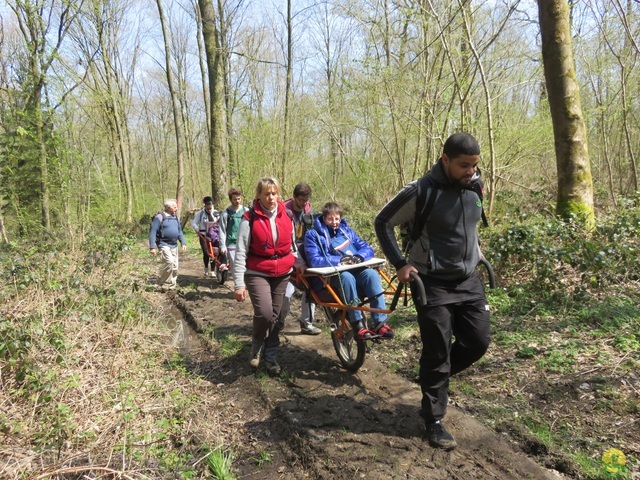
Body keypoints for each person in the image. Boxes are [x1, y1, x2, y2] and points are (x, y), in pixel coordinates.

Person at [374, 132, 491, 451]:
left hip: (467, 280)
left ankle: (431, 378)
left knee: (478, 342)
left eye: (475, 165)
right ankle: (434, 420)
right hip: (431, 282)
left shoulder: (475, 186)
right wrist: (399, 262)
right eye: (464, 165)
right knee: (438, 350)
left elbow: (468, 226)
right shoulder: (420, 191)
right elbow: (382, 221)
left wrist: (475, 251)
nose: (471, 171)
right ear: (445, 160)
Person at [232, 177, 297, 376]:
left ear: (279, 194)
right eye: (266, 193)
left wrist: (296, 261)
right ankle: (257, 345)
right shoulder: (249, 218)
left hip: (283, 273)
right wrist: (238, 284)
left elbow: (293, 245)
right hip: (257, 271)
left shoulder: (287, 215)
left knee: (276, 318)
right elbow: (241, 251)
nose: (271, 197)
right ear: (259, 195)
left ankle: (270, 356)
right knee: (265, 313)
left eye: (274, 193)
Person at [304, 202, 393, 341]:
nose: (334, 222)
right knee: (346, 277)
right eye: (330, 219)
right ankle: (358, 324)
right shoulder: (313, 235)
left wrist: (359, 256)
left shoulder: (347, 232)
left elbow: (367, 248)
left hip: (354, 270)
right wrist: (339, 260)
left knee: (371, 275)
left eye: (337, 219)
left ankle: (380, 322)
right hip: (329, 277)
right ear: (323, 218)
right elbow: (314, 259)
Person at [279, 182, 321, 335]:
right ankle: (280, 318)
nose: (304, 203)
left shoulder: (310, 213)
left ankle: (306, 322)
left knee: (311, 288)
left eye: (306, 200)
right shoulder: (282, 212)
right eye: (301, 200)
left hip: (305, 253)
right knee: (285, 293)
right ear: (294, 197)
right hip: (286, 254)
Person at [149, 199, 187, 291]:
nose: (177, 208)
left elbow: (179, 231)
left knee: (174, 266)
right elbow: (153, 231)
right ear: (168, 207)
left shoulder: (176, 218)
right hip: (163, 244)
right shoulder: (159, 217)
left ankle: (172, 285)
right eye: (174, 207)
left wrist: (183, 242)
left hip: (174, 245)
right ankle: (165, 283)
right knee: (169, 262)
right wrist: (152, 246)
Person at [218, 188, 248, 282]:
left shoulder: (246, 211)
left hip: (245, 243)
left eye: (239, 199)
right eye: (235, 199)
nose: (237, 201)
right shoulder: (226, 213)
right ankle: (238, 286)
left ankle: (244, 284)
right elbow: (222, 230)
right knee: (235, 266)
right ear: (231, 199)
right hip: (231, 243)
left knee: (245, 266)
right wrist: (222, 245)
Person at [192, 196, 220, 276]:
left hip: (214, 235)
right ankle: (206, 268)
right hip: (203, 235)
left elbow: (220, 223)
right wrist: (197, 229)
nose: (209, 210)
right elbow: (194, 222)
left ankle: (213, 271)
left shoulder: (216, 213)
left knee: (214, 252)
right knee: (206, 252)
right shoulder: (200, 213)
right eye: (207, 208)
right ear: (205, 206)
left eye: (210, 208)